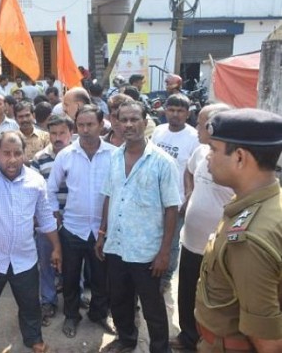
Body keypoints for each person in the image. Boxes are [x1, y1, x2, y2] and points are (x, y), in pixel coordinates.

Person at [0, 131, 61, 353]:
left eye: (17, 153)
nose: (12, 159)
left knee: (30, 304)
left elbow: (45, 217)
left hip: (24, 259)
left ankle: (34, 339)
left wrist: (56, 247)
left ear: (24, 154)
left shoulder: (35, 181)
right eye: (6, 153)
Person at [96, 99, 180, 353]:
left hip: (147, 251)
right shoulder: (113, 158)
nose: (129, 124)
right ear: (117, 123)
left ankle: (159, 348)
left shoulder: (163, 162)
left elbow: (172, 208)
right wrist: (102, 233)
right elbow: (109, 195)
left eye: (135, 119)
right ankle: (126, 339)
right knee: (119, 300)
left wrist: (165, 251)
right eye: (124, 119)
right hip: (117, 245)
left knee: (152, 306)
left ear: (145, 122)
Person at [195, 108, 282, 353]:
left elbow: (269, 344)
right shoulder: (263, 205)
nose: (208, 157)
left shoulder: (249, 239)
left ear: (240, 157)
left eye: (213, 149)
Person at [169, 103, 234, 351]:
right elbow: (188, 171)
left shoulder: (232, 158)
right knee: (186, 293)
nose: (196, 126)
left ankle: (209, 343)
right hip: (191, 241)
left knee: (212, 300)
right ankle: (187, 338)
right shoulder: (200, 152)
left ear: (213, 126)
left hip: (218, 247)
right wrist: (189, 191)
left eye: (200, 123)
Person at [48, 104, 115, 338]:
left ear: (101, 125)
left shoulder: (113, 154)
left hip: (101, 231)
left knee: (100, 278)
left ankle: (99, 314)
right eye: (81, 125)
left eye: (90, 125)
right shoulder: (66, 155)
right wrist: (56, 217)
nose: (85, 130)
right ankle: (71, 316)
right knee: (70, 278)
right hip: (72, 229)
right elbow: (50, 190)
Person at [151, 94, 199, 291]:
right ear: (165, 110)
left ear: (187, 114)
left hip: (177, 202)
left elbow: (196, 171)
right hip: (154, 199)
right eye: (171, 110)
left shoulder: (194, 137)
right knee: (154, 238)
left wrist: (188, 199)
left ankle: (165, 278)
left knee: (170, 242)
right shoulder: (158, 131)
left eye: (180, 111)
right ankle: (152, 270)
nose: (175, 114)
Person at [30, 115, 73, 325]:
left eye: (62, 133)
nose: (58, 138)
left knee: (74, 262)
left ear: (70, 134)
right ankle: (48, 299)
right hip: (47, 221)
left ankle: (75, 295)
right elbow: (34, 191)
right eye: (53, 133)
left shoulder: (78, 155)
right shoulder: (39, 158)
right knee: (46, 262)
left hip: (74, 220)